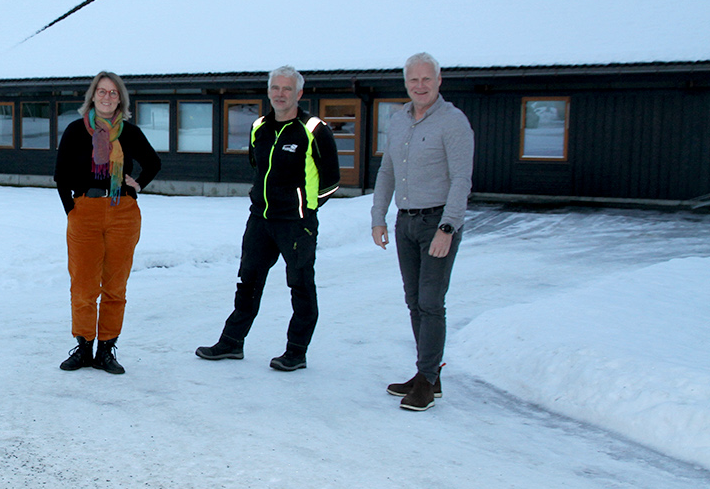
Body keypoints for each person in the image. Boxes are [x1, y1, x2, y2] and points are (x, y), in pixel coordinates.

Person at [196, 66, 339, 371]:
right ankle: (232, 342)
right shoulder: (259, 126)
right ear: (269, 91)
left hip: (296, 223)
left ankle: (296, 352)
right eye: (275, 87)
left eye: (287, 89)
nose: (280, 94)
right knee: (247, 282)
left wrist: (305, 210)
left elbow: (332, 182)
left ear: (299, 93)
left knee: (300, 286)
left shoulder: (314, 130)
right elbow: (257, 165)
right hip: (260, 220)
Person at [371, 52, 474, 411]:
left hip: (437, 223)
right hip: (406, 222)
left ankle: (427, 381)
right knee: (414, 301)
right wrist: (378, 216)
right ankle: (427, 373)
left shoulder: (453, 122)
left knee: (431, 302)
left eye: (426, 79)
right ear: (406, 83)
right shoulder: (398, 121)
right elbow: (387, 171)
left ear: (439, 80)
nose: (420, 85)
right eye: (413, 80)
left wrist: (448, 227)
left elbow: (462, 179)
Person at [54, 71, 161, 374]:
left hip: (122, 211)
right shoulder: (76, 130)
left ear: (120, 99)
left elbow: (153, 162)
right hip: (85, 210)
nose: (107, 97)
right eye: (102, 91)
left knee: (115, 286)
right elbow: (60, 175)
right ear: (93, 95)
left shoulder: (129, 132)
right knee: (84, 285)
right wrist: (72, 210)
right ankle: (84, 347)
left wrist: (137, 184)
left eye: (113, 93)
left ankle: (106, 350)